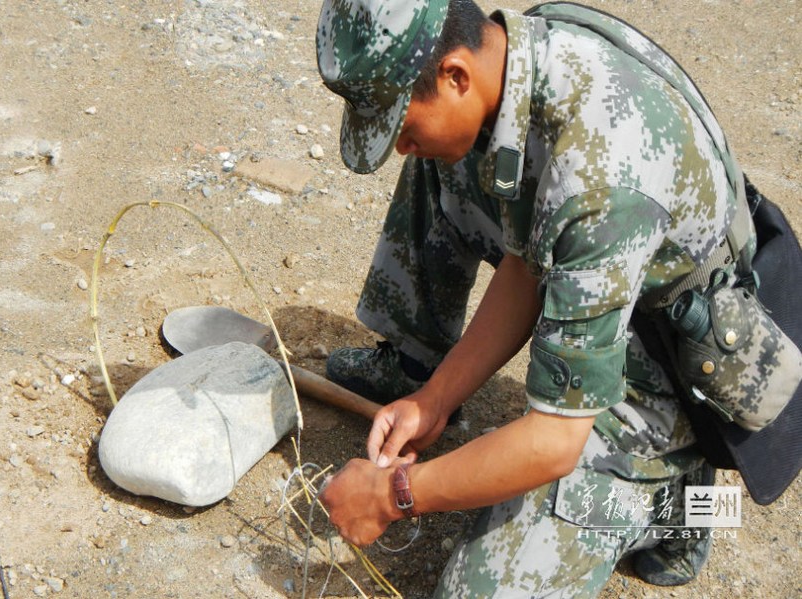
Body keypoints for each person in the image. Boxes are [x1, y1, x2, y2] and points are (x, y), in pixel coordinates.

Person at [315, 0, 752, 596]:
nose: (398, 147)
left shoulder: (599, 179)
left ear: (456, 75)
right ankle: (414, 362)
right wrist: (435, 398)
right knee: (444, 153)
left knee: (483, 589)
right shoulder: (516, 55)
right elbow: (526, 262)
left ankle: (679, 502)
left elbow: (552, 445)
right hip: (609, 263)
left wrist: (396, 496)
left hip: (665, 358)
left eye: (399, 125)